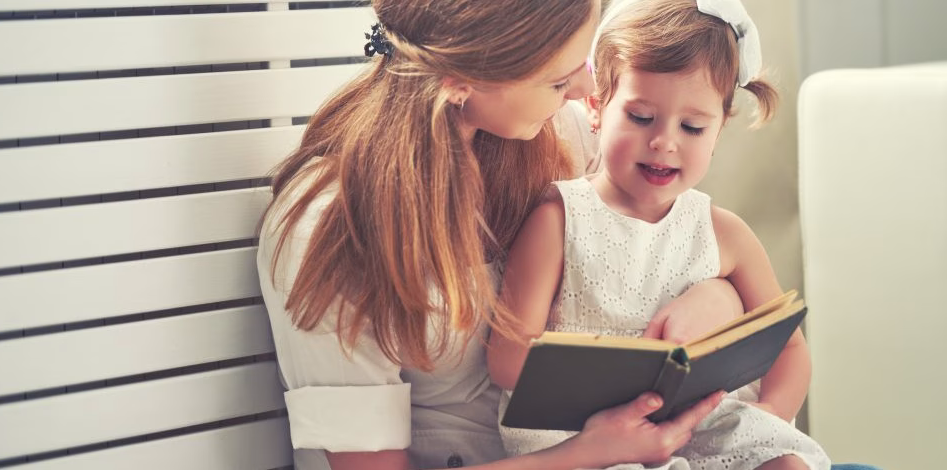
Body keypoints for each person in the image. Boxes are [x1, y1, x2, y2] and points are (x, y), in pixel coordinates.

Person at [255, 0, 752, 469]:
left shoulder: (559, 137)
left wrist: (718, 295)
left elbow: (675, 240)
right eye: (559, 81)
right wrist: (583, 453)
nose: (584, 91)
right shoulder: (328, 229)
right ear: (462, 80)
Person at [487, 0, 831, 469]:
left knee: (785, 462)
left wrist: (772, 412)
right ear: (596, 108)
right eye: (641, 117)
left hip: (696, 422)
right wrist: (616, 371)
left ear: (719, 130)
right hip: (585, 431)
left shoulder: (725, 233)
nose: (664, 141)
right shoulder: (558, 217)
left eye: (692, 127)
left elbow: (789, 347)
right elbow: (506, 359)